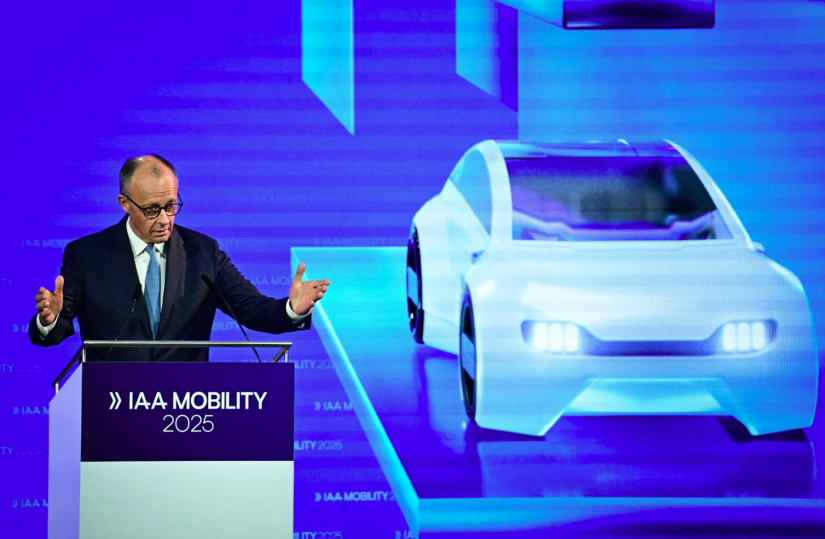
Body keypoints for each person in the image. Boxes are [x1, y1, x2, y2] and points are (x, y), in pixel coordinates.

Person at [30, 154, 330, 362]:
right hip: (110, 407)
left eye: (171, 206)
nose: (164, 219)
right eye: (152, 209)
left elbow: (253, 310)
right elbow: (56, 328)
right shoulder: (87, 255)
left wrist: (292, 309)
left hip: (187, 411)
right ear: (125, 203)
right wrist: (49, 321)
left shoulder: (203, 253)